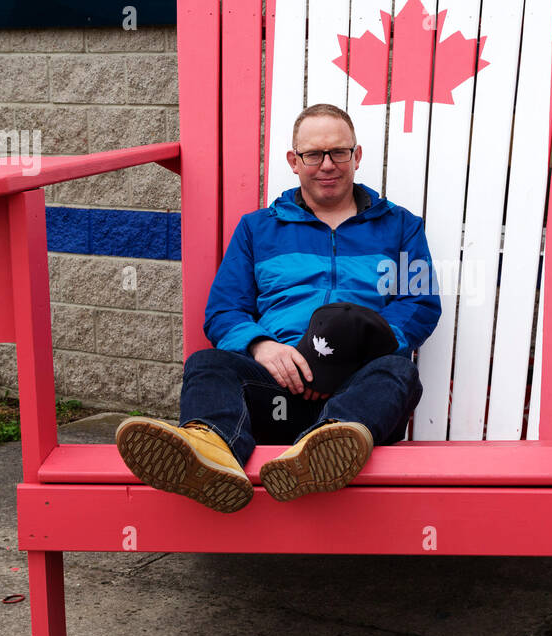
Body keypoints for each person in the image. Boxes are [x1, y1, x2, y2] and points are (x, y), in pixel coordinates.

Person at [115, 103, 441, 513]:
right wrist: (262, 347)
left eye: (339, 152)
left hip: (359, 398)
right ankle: (210, 451)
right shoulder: (258, 229)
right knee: (207, 363)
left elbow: (420, 305)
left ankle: (326, 446)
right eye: (313, 154)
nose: (327, 165)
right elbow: (224, 311)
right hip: (275, 392)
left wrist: (352, 355)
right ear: (293, 160)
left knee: (398, 371)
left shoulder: (400, 226)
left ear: (357, 156)